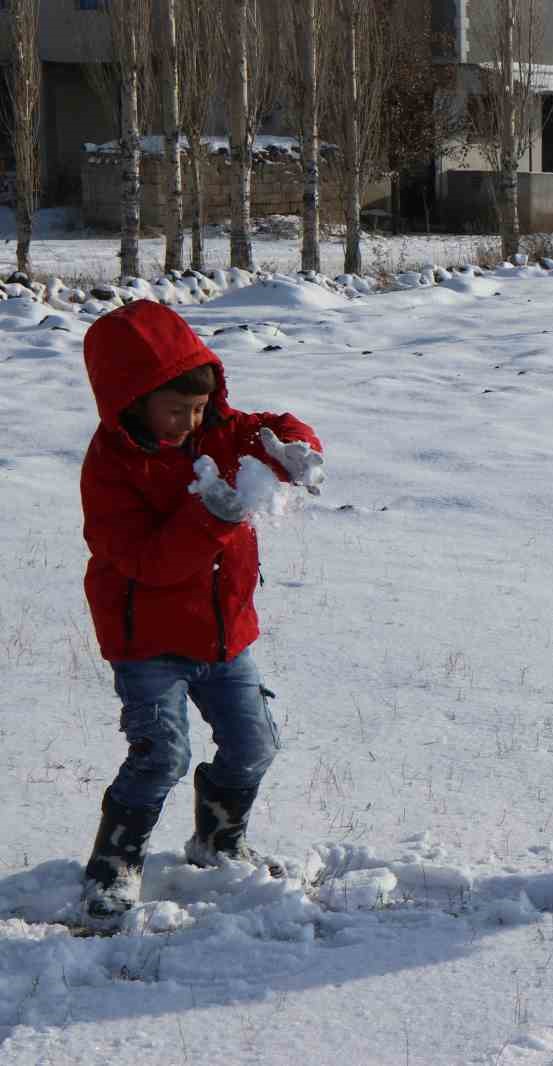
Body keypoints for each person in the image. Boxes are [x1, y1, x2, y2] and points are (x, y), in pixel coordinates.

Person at [77, 299, 325, 924]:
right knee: (160, 755)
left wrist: (294, 447)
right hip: (147, 643)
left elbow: (273, 425)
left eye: (198, 407)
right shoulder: (111, 467)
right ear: (131, 400)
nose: (189, 421)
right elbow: (147, 562)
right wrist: (209, 518)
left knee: (254, 745)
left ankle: (217, 839)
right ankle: (115, 866)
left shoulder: (219, 427)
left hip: (224, 636)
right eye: (174, 409)